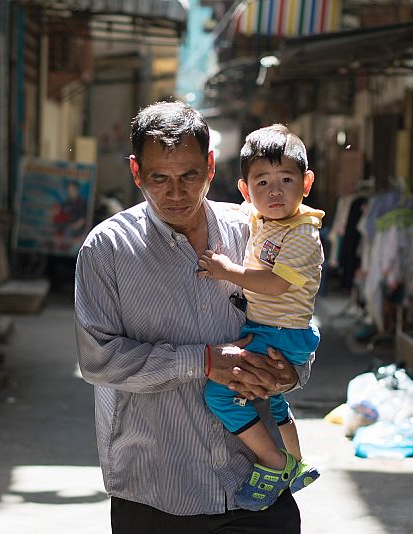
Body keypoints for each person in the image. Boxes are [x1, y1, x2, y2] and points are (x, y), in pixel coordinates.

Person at [74, 101, 312, 533]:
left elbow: (296, 313)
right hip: (157, 493)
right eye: (159, 178)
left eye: (189, 176)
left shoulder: (254, 231)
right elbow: (98, 360)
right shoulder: (106, 250)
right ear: (135, 172)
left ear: (210, 165)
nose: (176, 193)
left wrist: (287, 372)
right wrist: (201, 361)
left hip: (256, 488)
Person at [197, 125, 324, 511]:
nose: (274, 191)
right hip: (274, 330)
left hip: (282, 333)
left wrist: (226, 270)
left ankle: (274, 462)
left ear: (306, 183)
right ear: (245, 189)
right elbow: (243, 213)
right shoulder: (262, 217)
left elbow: (273, 285)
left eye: (286, 179)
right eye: (262, 182)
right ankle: (298, 462)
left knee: (218, 393)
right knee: (276, 400)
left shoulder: (303, 234)